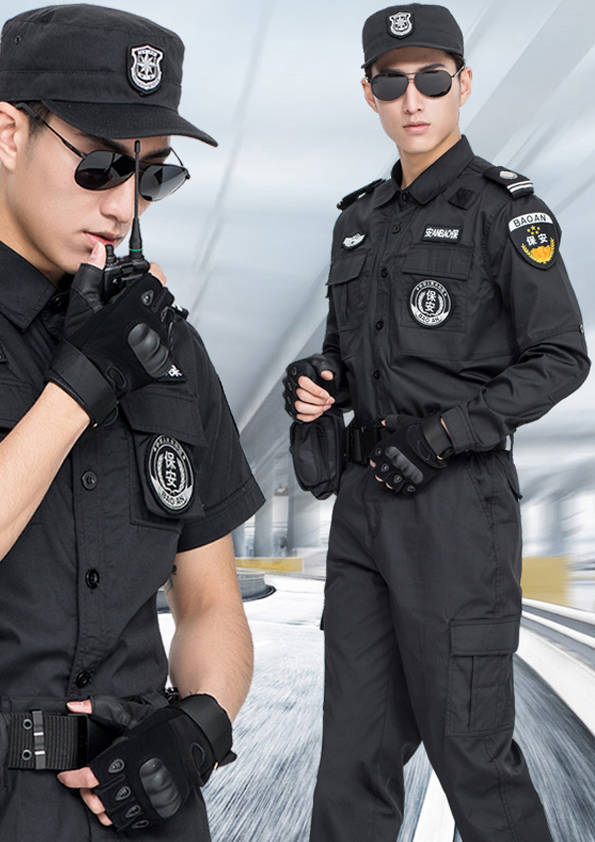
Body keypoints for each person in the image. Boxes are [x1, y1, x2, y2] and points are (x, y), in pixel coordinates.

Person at [283, 4, 590, 841]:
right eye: (391, 82)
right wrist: (319, 381)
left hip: (458, 510)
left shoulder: (504, 211)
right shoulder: (357, 221)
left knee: (469, 755)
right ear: (368, 93)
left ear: (462, 83)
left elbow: (560, 356)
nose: (411, 98)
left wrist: (447, 433)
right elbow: (346, 352)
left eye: (430, 78)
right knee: (351, 758)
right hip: (363, 510)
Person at [0, 4, 264, 840]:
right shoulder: (118, 353)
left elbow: (209, 599)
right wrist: (80, 387)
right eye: (101, 165)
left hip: (147, 811)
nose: (123, 207)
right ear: (8, 134)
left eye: (150, 177)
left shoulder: (167, 345)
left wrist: (201, 727)